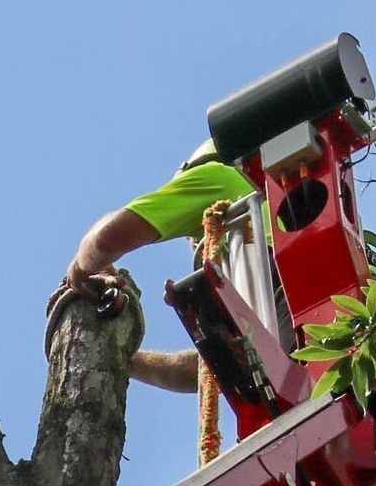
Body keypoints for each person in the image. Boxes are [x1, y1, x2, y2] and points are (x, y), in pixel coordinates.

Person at [55, 148, 257, 389]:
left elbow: (105, 239)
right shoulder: (266, 206)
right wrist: (127, 360)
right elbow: (207, 369)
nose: (193, 243)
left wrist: (79, 267)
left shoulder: (215, 177)